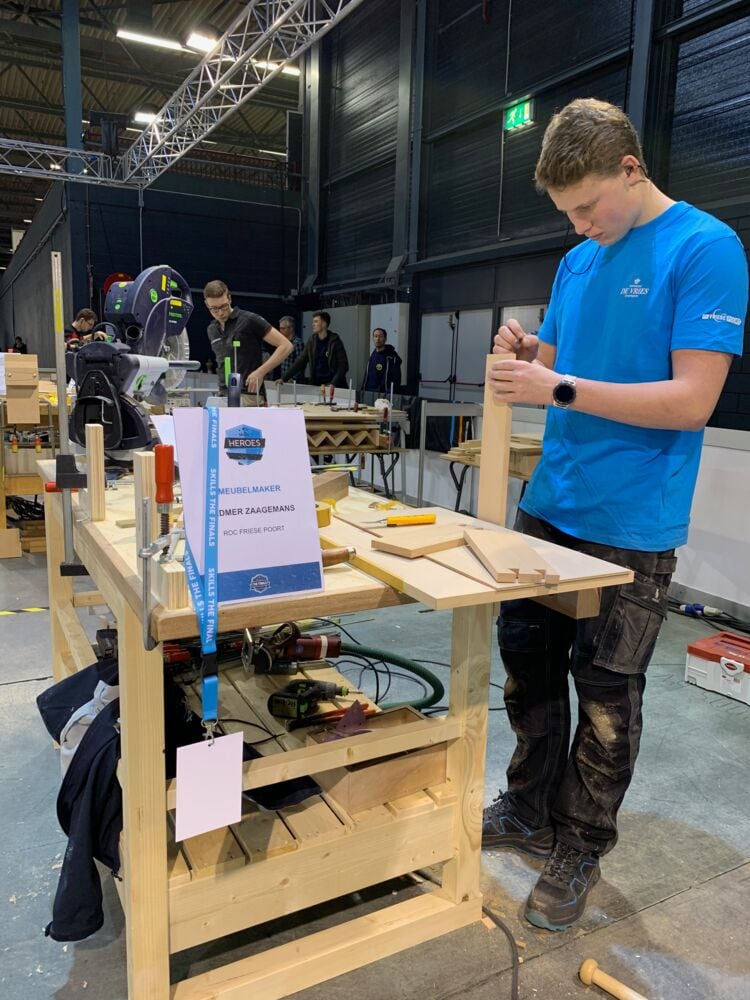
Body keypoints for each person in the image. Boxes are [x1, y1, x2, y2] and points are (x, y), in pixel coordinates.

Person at [482, 98, 748, 933]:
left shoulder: (705, 249)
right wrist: (534, 353)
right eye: (566, 213)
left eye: (589, 206)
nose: (581, 224)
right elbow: (564, 356)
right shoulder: (579, 260)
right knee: (527, 670)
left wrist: (552, 387)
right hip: (550, 502)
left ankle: (582, 841)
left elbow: (692, 400)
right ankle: (529, 808)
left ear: (631, 170)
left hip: (631, 524)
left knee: (605, 694)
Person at [203, 280, 291, 395]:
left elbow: (286, 345)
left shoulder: (249, 320)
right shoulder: (212, 329)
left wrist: (261, 372)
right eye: (214, 309)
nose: (220, 313)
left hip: (249, 395)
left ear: (229, 298)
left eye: (223, 306)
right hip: (224, 394)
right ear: (206, 305)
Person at [279, 311, 349, 388]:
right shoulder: (312, 341)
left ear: (324, 324)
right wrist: (284, 378)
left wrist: (333, 383)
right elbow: (300, 361)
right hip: (316, 385)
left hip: (333, 385)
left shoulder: (335, 341)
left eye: (316, 321)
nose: (313, 324)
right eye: (313, 322)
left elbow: (343, 366)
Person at [362, 328, 402, 393]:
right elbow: (366, 377)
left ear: (385, 339)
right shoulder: (372, 355)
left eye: (380, 336)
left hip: (384, 396)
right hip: (369, 394)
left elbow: (396, 379)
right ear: (373, 338)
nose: (378, 339)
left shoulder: (391, 357)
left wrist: (389, 394)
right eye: (375, 336)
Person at [277, 315, 305, 380]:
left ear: (291, 328)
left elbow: (300, 364)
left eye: (283, 328)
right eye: (280, 328)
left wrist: (292, 378)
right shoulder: (283, 343)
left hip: (294, 382)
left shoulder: (298, 343)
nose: (280, 330)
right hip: (284, 379)